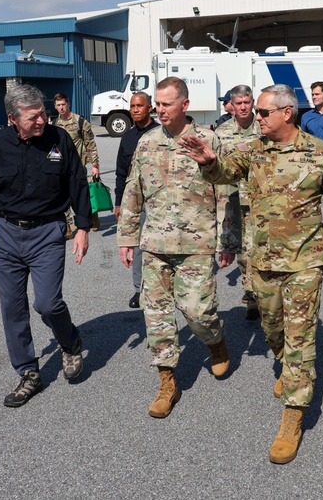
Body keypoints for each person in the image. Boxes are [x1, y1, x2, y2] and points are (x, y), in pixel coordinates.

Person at [178, 83, 323, 465]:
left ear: (286, 113)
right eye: (256, 112)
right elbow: (223, 173)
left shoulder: (319, 153)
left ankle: (293, 416)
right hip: (261, 259)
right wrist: (207, 160)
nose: (254, 117)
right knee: (272, 327)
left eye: (262, 113)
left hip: (304, 262)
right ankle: (285, 360)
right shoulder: (253, 150)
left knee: (300, 336)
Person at [0, 84, 91, 407]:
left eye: (43, 114)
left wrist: (83, 227)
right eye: (33, 118)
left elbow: (77, 181)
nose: (42, 121)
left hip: (47, 232)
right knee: (12, 307)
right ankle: (28, 372)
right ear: (12, 119)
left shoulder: (59, 139)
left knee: (47, 303)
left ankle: (70, 341)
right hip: (6, 234)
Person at [117, 77, 237, 420]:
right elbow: (133, 190)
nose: (159, 109)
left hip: (197, 243)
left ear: (185, 105)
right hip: (154, 244)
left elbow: (227, 192)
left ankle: (215, 341)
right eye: (157, 103)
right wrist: (127, 237)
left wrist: (228, 241)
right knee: (156, 316)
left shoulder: (209, 140)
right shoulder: (147, 142)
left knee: (198, 312)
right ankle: (167, 381)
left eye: (166, 104)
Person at [214, 84, 262, 319]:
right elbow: (216, 168)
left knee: (262, 248)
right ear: (232, 104)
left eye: (247, 102)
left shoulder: (265, 127)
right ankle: (251, 294)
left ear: (253, 102)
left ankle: (263, 293)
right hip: (233, 200)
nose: (243, 107)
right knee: (243, 252)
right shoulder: (222, 132)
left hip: (261, 200)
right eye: (239, 103)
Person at [113, 92, 158, 309]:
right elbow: (121, 172)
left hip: (158, 201)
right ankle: (139, 290)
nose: (135, 110)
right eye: (132, 106)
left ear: (150, 108)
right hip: (135, 202)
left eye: (140, 105)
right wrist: (119, 203)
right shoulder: (128, 137)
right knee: (138, 247)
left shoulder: (160, 133)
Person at [53, 93, 101, 232]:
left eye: (63, 104)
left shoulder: (80, 122)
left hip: (79, 166)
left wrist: (95, 166)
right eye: (58, 105)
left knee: (83, 193)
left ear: (68, 104)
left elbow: (91, 144)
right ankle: (67, 226)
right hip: (62, 167)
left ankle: (92, 215)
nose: (61, 108)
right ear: (55, 107)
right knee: (63, 194)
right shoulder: (55, 124)